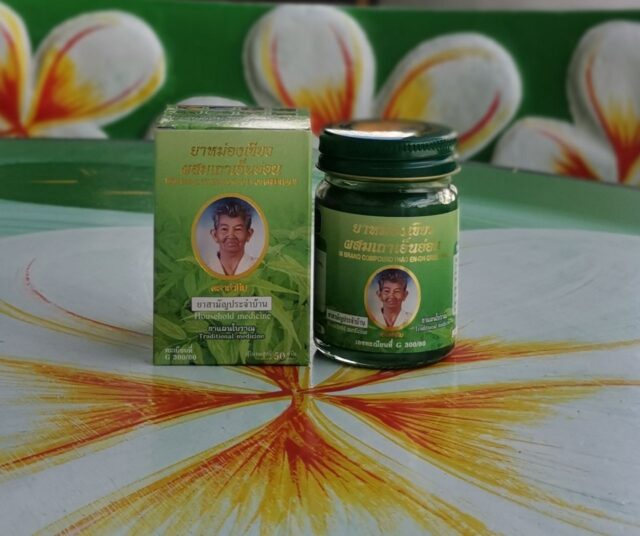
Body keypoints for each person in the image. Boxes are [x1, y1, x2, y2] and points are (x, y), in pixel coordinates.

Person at [206, 198, 257, 276]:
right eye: (224, 229)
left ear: (248, 234)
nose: (231, 236)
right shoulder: (204, 268)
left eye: (238, 229)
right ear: (215, 235)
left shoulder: (259, 267)